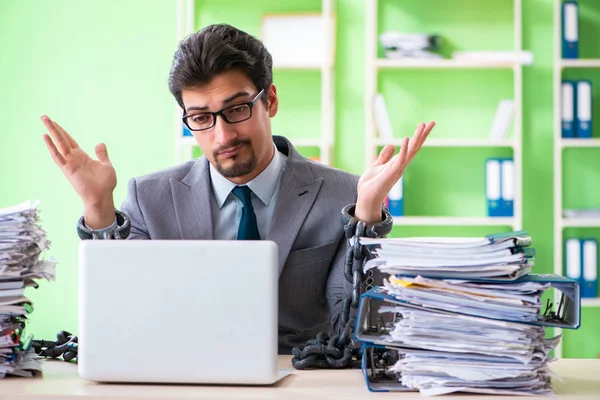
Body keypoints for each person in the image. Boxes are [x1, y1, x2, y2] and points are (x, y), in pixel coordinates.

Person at [41, 24, 435, 354]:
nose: (223, 134)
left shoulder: (342, 196)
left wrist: (366, 212)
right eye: (200, 118)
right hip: (180, 379)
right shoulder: (150, 198)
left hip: (301, 383)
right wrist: (98, 207)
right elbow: (119, 314)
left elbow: (353, 329)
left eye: (236, 109)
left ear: (271, 100)